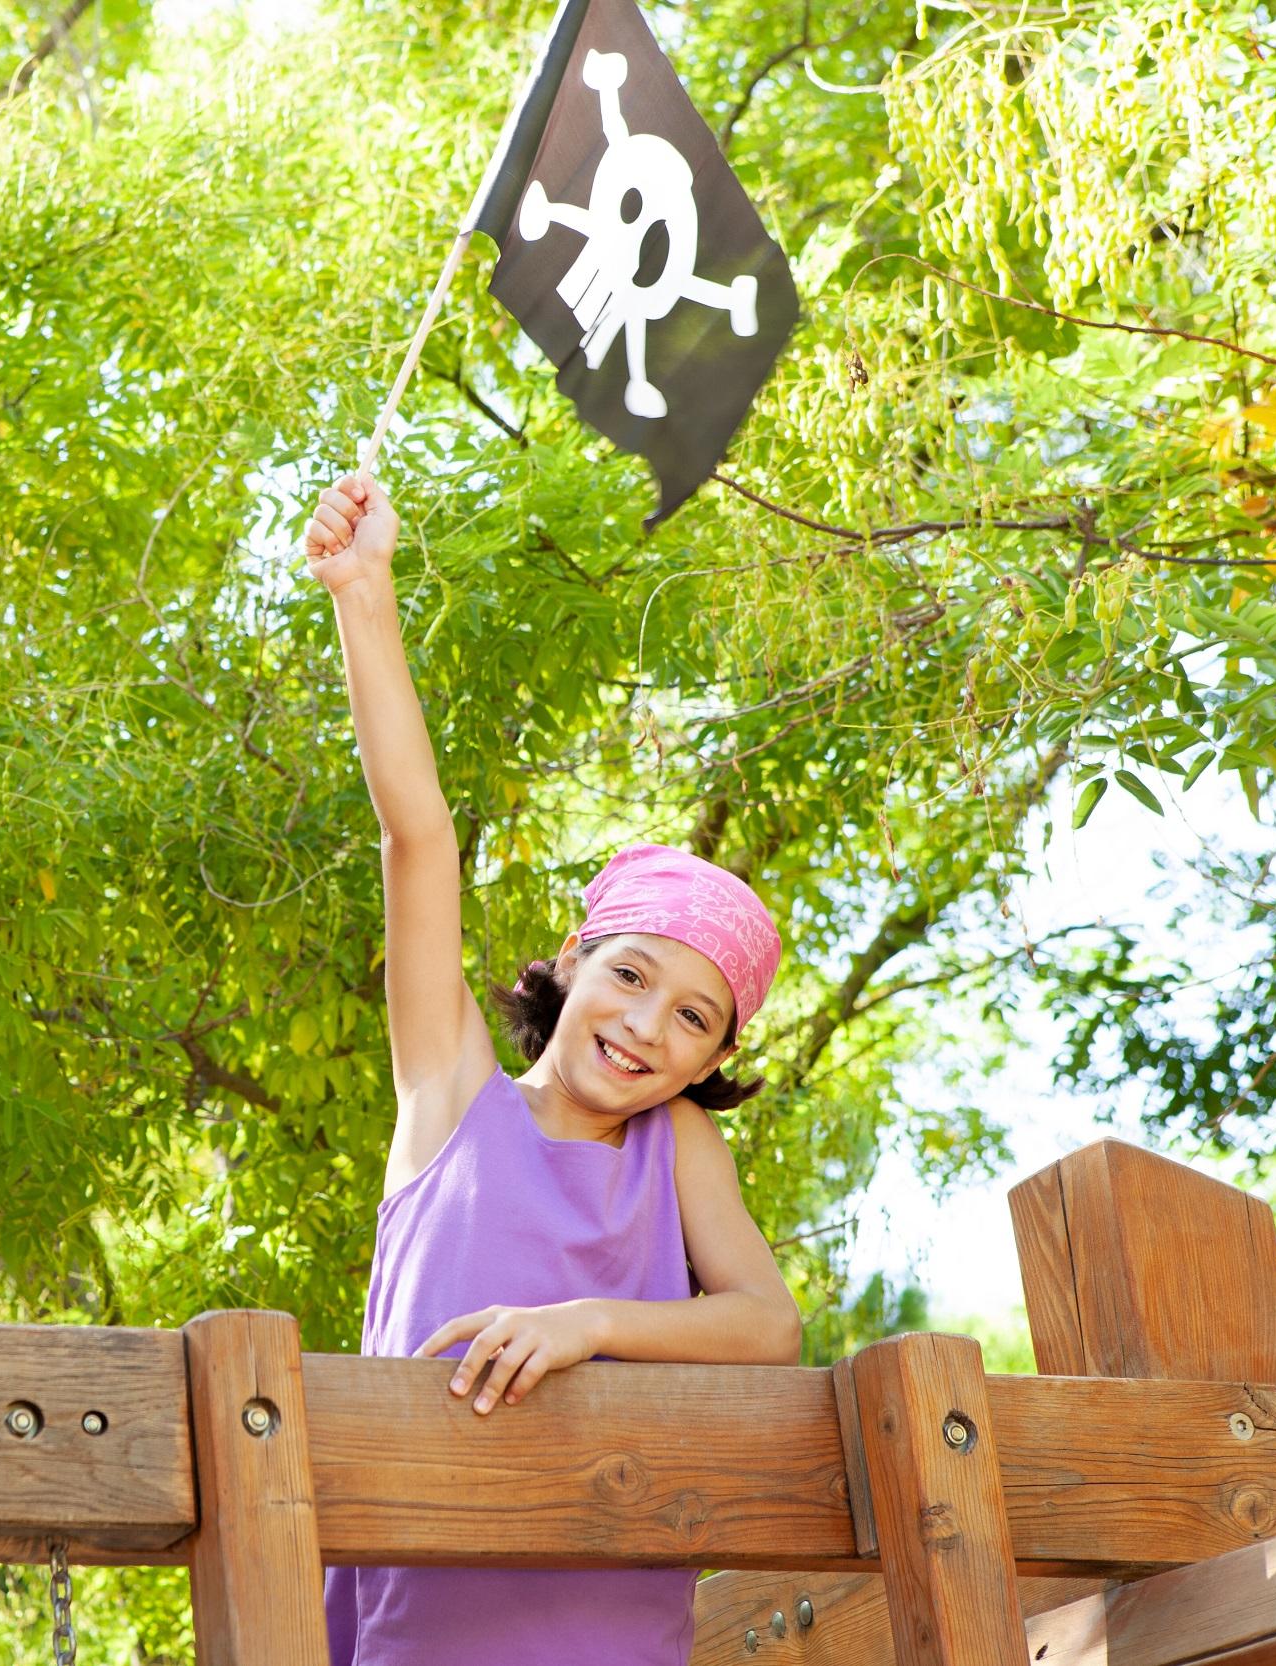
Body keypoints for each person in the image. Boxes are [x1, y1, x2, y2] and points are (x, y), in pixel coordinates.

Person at [301, 468, 803, 1666]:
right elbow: (415, 834)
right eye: (629, 977)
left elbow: (765, 1323)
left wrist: (585, 1324)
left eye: (692, 1018)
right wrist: (360, 592)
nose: (645, 1028)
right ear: (574, 961)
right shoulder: (450, 1092)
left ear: (714, 1057)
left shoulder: (675, 1146)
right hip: (413, 1613)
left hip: (607, 1620)